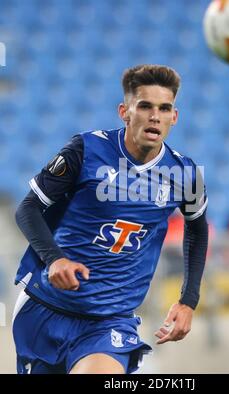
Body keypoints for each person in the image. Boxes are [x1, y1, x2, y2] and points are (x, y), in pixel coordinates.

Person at [13, 64, 209, 374]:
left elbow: (197, 230)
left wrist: (188, 300)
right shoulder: (86, 150)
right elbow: (27, 209)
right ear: (125, 111)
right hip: (45, 308)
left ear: (175, 117)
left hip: (109, 322)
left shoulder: (184, 174)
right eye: (145, 106)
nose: (154, 116)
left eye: (164, 108)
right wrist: (55, 260)